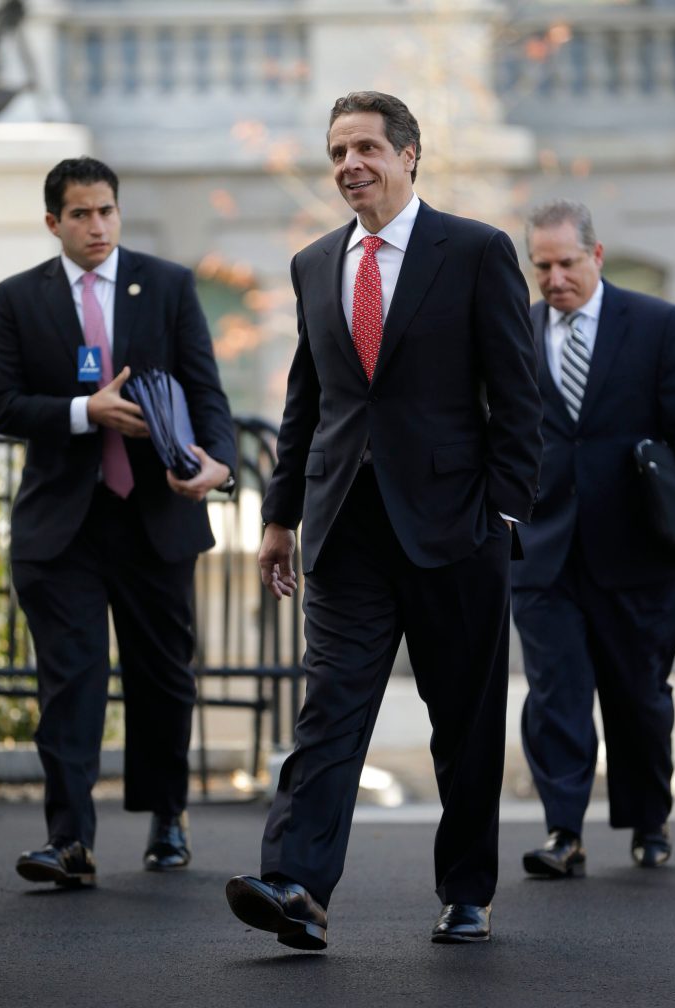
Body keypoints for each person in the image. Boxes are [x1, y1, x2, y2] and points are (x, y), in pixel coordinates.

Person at [225, 91, 542, 950]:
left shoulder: (474, 251)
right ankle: (296, 884)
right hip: (345, 528)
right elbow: (308, 401)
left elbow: (519, 396)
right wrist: (280, 516)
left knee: (464, 721)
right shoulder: (313, 263)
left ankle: (467, 891)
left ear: (408, 155)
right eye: (337, 151)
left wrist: (503, 509)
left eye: (365, 147)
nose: (349, 165)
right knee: (329, 708)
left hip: (456, 527)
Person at [0, 157, 237, 887]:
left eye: (107, 211)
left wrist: (219, 462)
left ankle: (167, 816)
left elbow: (205, 388)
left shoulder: (168, 284)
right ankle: (68, 840)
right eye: (81, 214)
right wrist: (81, 411)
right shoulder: (20, 297)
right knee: (71, 681)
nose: (97, 226)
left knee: (163, 676)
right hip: (64, 526)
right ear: (53, 222)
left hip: (154, 515)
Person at [513, 199, 675, 879]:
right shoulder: (516, 330)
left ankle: (649, 819)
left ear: (596, 255)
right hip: (545, 551)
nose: (554, 278)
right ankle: (563, 831)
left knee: (640, 696)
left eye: (566, 263)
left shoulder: (656, 323)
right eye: (542, 266)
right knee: (555, 694)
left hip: (637, 548)